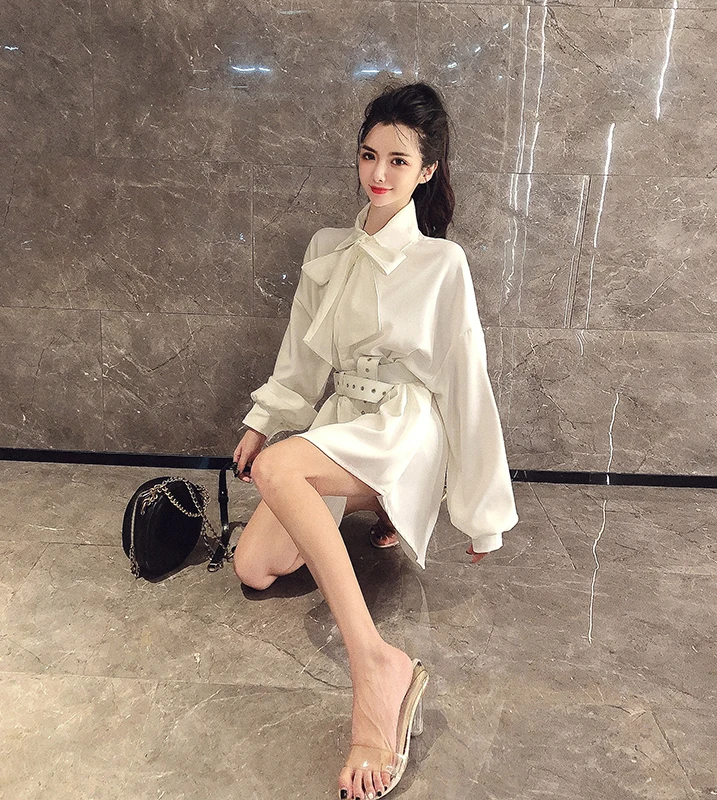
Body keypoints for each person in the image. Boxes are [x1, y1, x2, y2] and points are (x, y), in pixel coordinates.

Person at [231, 82, 518, 800]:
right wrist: (264, 419)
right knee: (254, 568)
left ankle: (376, 665)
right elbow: (300, 358)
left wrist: (481, 512)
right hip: (342, 418)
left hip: (404, 428)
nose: (379, 174)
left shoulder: (442, 263)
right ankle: (373, 508)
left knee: (279, 471)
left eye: (398, 160)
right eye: (368, 156)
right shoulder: (328, 248)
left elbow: (466, 384)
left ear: (428, 170)